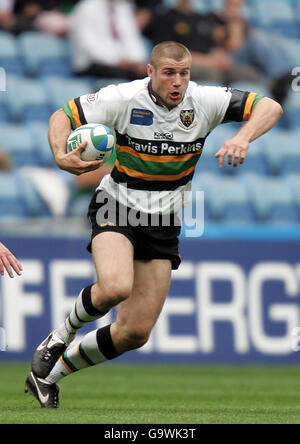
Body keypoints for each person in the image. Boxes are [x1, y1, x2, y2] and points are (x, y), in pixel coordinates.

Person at [24, 41, 283, 408]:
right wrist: (58, 154)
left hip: (164, 220)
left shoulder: (205, 101)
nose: (178, 81)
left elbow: (270, 106)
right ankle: (58, 337)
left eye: (184, 73)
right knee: (114, 287)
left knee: (135, 332)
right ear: (150, 72)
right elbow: (62, 116)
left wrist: (242, 136)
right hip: (118, 204)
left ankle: (48, 376)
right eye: (169, 73)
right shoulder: (123, 97)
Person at [142, 0, 260, 84]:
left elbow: (221, 44)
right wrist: (207, 61)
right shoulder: (164, 19)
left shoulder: (203, 18)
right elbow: (168, 54)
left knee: (250, 74)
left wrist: (219, 54)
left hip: (213, 63)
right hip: (186, 66)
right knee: (213, 75)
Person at [70, 0, 148, 80]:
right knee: (126, 77)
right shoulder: (86, 8)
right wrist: (117, 61)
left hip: (124, 64)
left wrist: (138, 61)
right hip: (90, 64)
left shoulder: (123, 7)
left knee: (150, 75)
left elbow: (132, 38)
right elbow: (90, 47)